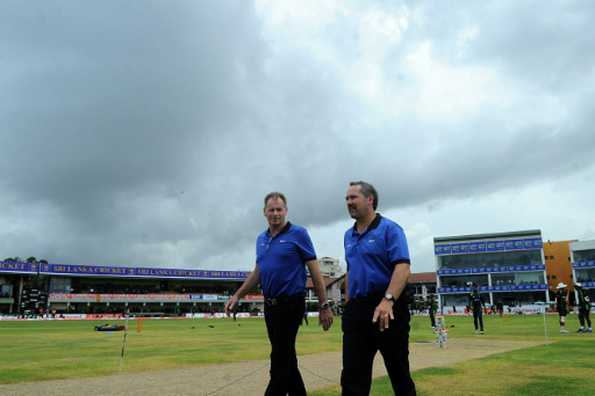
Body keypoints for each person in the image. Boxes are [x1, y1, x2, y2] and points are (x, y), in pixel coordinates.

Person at [224, 192, 333, 396]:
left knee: (279, 360)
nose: (276, 214)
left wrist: (324, 305)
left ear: (286, 211)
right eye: (271, 210)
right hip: (271, 306)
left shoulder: (299, 234)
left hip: (291, 303)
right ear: (264, 212)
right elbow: (258, 272)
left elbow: (315, 271)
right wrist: (237, 295)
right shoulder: (261, 239)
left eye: (279, 209)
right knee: (286, 358)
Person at [341, 181, 416, 396]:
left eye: (353, 198)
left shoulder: (390, 229)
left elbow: (402, 267)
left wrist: (388, 299)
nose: (348, 203)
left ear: (370, 200)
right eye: (347, 199)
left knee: (398, 372)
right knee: (352, 377)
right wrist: (348, 301)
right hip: (357, 310)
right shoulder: (348, 235)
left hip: (388, 309)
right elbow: (351, 269)